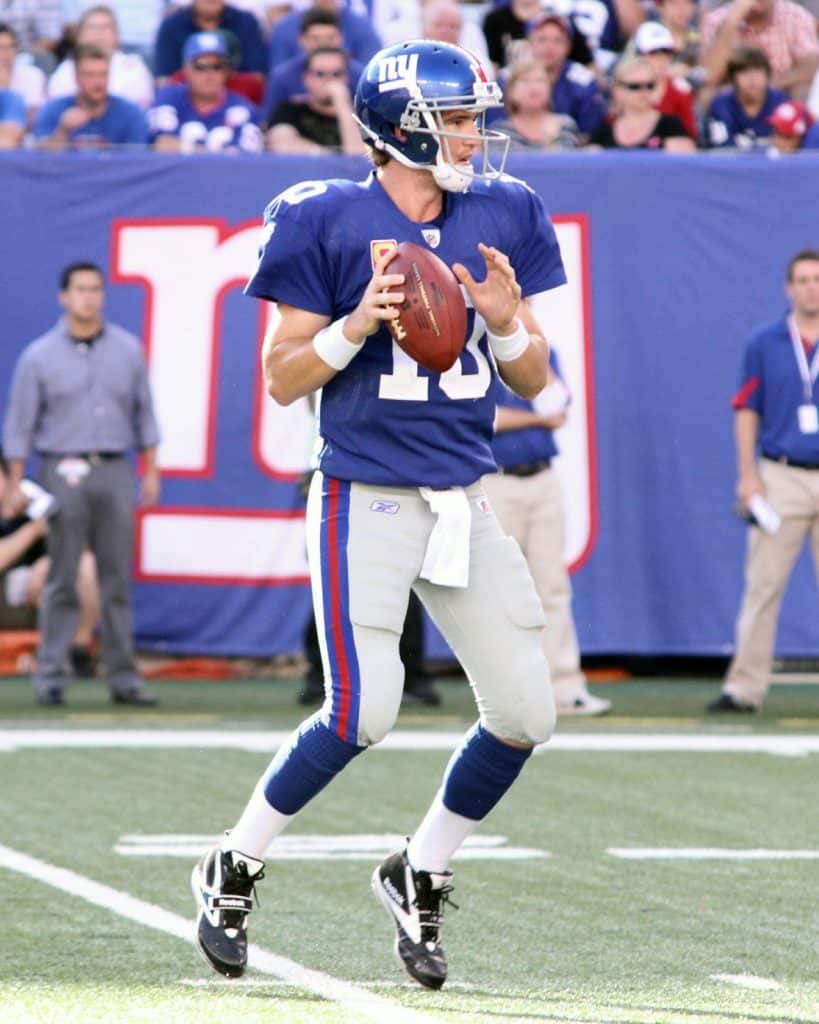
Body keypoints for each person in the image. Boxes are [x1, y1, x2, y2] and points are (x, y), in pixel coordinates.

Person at [191, 38, 564, 991]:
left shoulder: (504, 210)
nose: (475, 136)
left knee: (526, 711)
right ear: (402, 130)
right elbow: (280, 380)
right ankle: (234, 861)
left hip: (463, 493)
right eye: (455, 120)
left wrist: (505, 316)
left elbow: (533, 373)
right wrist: (356, 325)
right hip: (366, 490)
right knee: (363, 713)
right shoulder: (323, 217)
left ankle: (420, 867)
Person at [2, 261, 161, 707]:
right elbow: (21, 426)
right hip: (60, 468)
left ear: (103, 295)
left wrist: (151, 470)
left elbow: (144, 416)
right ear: (64, 296)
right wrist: (16, 482)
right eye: (80, 290)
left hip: (113, 467)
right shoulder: (39, 356)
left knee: (116, 579)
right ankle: (51, 675)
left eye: (95, 289)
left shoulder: (128, 351)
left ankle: (124, 679)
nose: (88, 297)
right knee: (62, 576)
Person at [709, 248, 819, 713]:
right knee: (763, 585)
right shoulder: (766, 341)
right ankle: (744, 688)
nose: (810, 287)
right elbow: (746, 409)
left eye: (817, 279)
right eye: (802, 280)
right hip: (782, 475)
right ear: (788, 288)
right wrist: (748, 476)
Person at [483, 358, 612, 717]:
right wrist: (536, 419)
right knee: (498, 591)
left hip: (542, 479)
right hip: (495, 480)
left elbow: (557, 404)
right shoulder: (472, 345)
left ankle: (564, 687)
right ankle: (502, 692)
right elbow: (484, 419)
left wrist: (531, 349)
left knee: (551, 585)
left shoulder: (537, 348)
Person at [0, 456, 101, 678]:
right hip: (6, 590)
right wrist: (33, 530)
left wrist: (50, 563)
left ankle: (76, 651)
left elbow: (81, 543)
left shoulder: (36, 497)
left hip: (38, 583)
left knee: (85, 566)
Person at [148, 31, 263, 152]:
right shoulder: (169, 98)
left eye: (217, 66)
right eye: (200, 66)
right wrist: (212, 153)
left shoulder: (243, 108)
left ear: (227, 71)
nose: (209, 74)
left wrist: (189, 149)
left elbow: (245, 160)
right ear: (186, 69)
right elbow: (163, 144)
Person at [260, 7, 364, 127]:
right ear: (301, 40)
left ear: (341, 38)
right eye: (315, 38)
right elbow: (268, 123)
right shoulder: (282, 77)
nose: (323, 44)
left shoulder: (360, 76)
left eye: (330, 38)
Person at [33, 44, 149, 148]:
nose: (97, 81)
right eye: (90, 75)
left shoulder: (131, 113)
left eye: (103, 74)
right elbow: (43, 161)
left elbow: (137, 162)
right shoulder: (52, 111)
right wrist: (62, 131)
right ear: (76, 77)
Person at [700, 0, 819, 100]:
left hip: (781, 95)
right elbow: (706, 77)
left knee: (804, 90)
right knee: (706, 95)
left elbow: (812, 66)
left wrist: (765, 87)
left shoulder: (794, 15)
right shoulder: (717, 20)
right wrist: (732, 22)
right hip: (733, 101)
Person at [47, 5, 155, 110]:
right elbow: (57, 110)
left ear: (117, 35)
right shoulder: (66, 70)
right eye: (92, 27)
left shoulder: (134, 68)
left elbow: (139, 113)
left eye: (105, 27)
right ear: (79, 36)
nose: (99, 33)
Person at [267, 44, 365, 153]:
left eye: (336, 74)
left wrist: (342, 103)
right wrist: (333, 160)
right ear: (307, 78)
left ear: (346, 78)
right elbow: (282, 143)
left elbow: (360, 156)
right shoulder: (290, 109)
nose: (329, 80)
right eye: (320, 74)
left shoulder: (363, 116)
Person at [525, 12, 608, 140]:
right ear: (529, 44)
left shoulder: (583, 81)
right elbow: (496, 129)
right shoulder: (509, 79)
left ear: (568, 46)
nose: (549, 47)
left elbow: (589, 136)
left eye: (558, 40)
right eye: (542, 39)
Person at [588, 54, 696, 149]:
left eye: (650, 85)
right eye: (634, 86)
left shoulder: (671, 126)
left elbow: (685, 163)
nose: (644, 92)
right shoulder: (604, 130)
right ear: (617, 90)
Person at [153, 0, 268, 85]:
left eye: (217, 67)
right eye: (201, 67)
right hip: (184, 106)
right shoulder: (171, 26)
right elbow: (163, 79)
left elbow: (257, 77)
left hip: (240, 104)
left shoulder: (246, 23)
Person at [705, 45, 789, 148]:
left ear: (767, 75)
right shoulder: (721, 105)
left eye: (758, 71)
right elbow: (722, 148)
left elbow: (788, 147)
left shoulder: (782, 102)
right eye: (744, 73)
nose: (752, 79)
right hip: (733, 163)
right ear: (733, 78)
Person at [492, 57, 580, 150]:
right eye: (525, 81)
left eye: (540, 80)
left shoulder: (566, 126)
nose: (534, 87)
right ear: (511, 91)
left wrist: (550, 141)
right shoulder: (499, 133)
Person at [266, 0, 382, 70]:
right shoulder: (284, 28)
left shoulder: (362, 27)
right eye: (315, 38)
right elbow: (277, 74)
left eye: (330, 37)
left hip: (350, 99)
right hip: (296, 103)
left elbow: (371, 75)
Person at [632, 20, 699, 141]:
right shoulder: (626, 87)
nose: (661, 59)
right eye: (654, 53)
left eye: (666, 53)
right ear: (639, 56)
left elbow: (690, 138)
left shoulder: (681, 91)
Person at [0, 21, 46, 123]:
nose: (6, 52)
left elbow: (35, 117)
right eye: (1, 48)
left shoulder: (33, 75)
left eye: (11, 46)